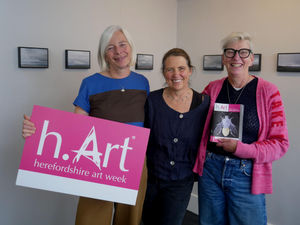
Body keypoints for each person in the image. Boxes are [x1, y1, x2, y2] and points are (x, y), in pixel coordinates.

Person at [22, 25, 150, 225]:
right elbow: (74, 127)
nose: (118, 51)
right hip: (98, 161)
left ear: (131, 47)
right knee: (91, 219)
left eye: (122, 44)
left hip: (134, 160)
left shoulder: (143, 82)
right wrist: (37, 132)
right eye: (110, 47)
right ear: (104, 54)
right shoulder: (90, 83)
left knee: (130, 219)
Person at [193, 32, 289, 225]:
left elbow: (280, 144)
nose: (236, 57)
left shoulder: (269, 92)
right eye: (230, 52)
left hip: (247, 174)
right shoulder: (212, 88)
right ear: (223, 58)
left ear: (251, 59)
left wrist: (241, 148)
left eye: (243, 52)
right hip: (211, 170)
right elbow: (195, 123)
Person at [142, 48, 210, 225]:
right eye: (169, 69)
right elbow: (143, 137)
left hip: (181, 181)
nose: (176, 74)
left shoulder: (204, 104)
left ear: (190, 71)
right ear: (164, 73)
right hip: (151, 179)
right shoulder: (152, 100)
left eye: (181, 68)